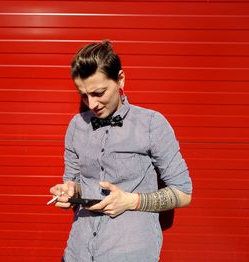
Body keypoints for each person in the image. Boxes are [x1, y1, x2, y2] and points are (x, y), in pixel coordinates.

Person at [49, 40, 192, 262]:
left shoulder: (152, 124)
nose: (91, 104)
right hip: (78, 252)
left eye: (99, 92)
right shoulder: (76, 126)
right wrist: (69, 192)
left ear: (120, 79)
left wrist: (130, 200)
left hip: (129, 253)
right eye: (83, 95)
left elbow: (184, 193)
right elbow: (74, 181)